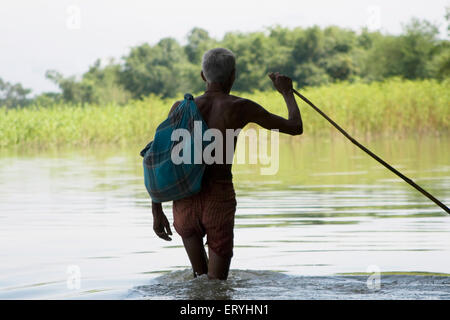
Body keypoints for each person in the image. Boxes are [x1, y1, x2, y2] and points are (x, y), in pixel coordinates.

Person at [151, 48, 303, 280]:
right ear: (233, 76)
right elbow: (295, 127)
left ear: (203, 75)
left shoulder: (180, 108)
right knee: (217, 286)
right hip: (218, 200)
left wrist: (156, 210)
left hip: (184, 201)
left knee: (200, 280)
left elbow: (158, 158)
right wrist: (287, 93)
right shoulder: (240, 107)